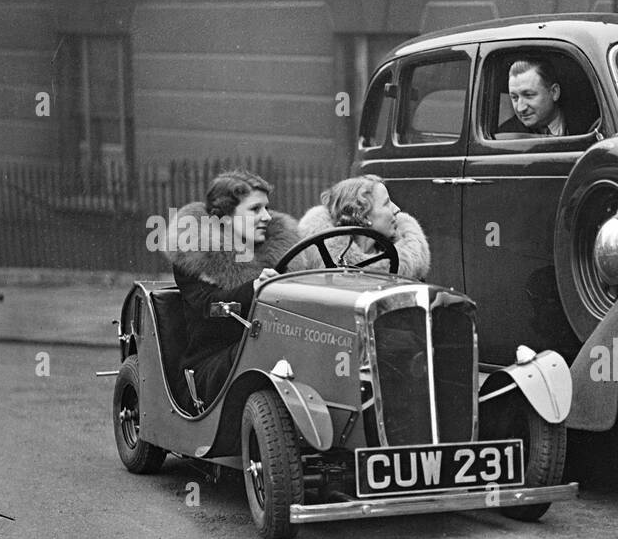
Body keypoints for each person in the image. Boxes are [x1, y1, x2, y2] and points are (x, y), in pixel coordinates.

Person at [164, 170, 300, 404]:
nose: (267, 217)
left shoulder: (281, 257)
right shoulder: (197, 258)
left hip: (273, 354)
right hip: (212, 366)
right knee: (268, 357)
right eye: (255, 209)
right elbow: (211, 309)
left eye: (267, 208)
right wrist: (254, 289)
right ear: (226, 218)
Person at [293, 175, 430, 280]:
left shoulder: (411, 262)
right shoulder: (315, 269)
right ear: (362, 216)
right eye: (386, 203)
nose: (397, 209)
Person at [498, 57, 567, 136]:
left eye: (528, 95)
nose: (520, 108)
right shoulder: (506, 136)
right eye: (515, 97)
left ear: (554, 92)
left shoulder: (582, 124)